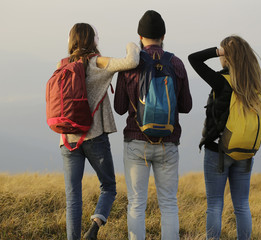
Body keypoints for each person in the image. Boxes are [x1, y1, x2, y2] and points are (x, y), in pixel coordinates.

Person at [114, 10, 192, 240]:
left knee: (136, 203)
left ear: (140, 36)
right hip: (168, 142)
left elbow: (119, 107)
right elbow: (186, 105)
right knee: (168, 204)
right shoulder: (176, 63)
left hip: (136, 141)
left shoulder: (131, 63)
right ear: (163, 35)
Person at [58, 23, 140, 240]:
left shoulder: (63, 64)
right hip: (95, 137)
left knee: (73, 197)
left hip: (67, 139)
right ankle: (94, 227)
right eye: (96, 36)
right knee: (109, 187)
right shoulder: (98, 63)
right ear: (91, 40)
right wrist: (132, 43)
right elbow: (132, 61)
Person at [188, 35, 261, 240]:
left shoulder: (221, 81)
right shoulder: (253, 84)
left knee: (214, 204)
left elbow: (193, 59)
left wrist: (218, 51)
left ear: (227, 56)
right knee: (242, 205)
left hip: (218, 151)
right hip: (245, 152)